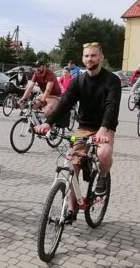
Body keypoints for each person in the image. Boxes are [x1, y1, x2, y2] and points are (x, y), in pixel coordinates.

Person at [35, 42, 121, 220]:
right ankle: (71, 209)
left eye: (93, 55)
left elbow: (111, 107)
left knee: (104, 154)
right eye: (86, 56)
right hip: (84, 127)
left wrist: (104, 130)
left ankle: (103, 177)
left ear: (101, 57)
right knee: (72, 165)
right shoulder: (78, 81)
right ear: (83, 59)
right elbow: (64, 103)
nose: (90, 59)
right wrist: (48, 123)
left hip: (104, 127)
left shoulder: (112, 80)